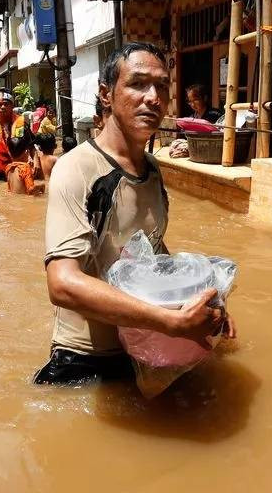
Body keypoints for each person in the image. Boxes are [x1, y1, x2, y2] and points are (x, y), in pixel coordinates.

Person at [35, 43, 235, 385]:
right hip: (86, 360)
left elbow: (154, 254)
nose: (153, 97)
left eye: (162, 86)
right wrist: (168, 321)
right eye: (138, 83)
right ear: (106, 95)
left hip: (145, 346)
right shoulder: (77, 169)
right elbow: (62, 284)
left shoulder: (153, 169)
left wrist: (203, 302)